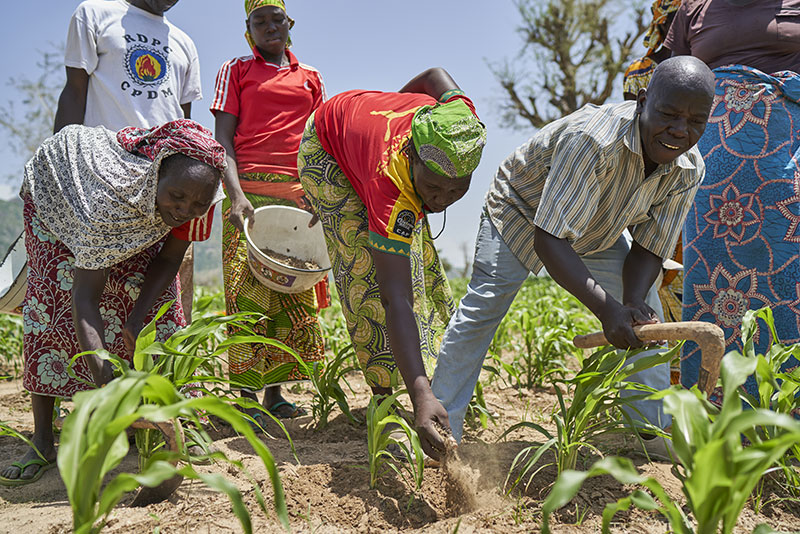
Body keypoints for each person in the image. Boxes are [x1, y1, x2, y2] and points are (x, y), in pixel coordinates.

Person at [430, 57, 716, 452]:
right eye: (668, 114)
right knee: (485, 306)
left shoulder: (688, 166)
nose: (680, 130)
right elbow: (549, 240)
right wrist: (606, 310)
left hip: (595, 228)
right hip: (522, 210)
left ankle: (647, 434)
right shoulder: (593, 139)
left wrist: (629, 303)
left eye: (695, 121)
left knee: (647, 317)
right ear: (642, 100)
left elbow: (650, 247)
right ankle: (438, 429)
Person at [0, 119, 225, 486]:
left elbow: (169, 260)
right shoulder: (104, 205)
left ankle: (171, 425)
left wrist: (136, 320)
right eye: (178, 197)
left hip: (135, 212)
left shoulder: (201, 197)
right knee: (52, 310)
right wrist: (109, 390)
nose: (186, 208)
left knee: (162, 316)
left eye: (198, 203)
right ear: (154, 178)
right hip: (58, 201)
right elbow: (85, 300)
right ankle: (42, 442)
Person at [297, 68, 487, 458]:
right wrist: (420, 398)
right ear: (412, 154)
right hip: (326, 147)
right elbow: (394, 298)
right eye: (433, 187)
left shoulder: (461, 124)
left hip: (372, 138)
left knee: (417, 263)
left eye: (458, 189)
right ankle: (389, 399)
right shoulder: (390, 183)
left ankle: (434, 378)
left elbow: (436, 74)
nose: (443, 199)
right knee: (366, 273)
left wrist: (390, 104)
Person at [665, 0, 800, 403]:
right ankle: (709, 417)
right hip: (711, 175)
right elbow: (673, 83)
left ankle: (783, 417)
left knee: (787, 279)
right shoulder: (694, 8)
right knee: (709, 286)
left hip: (783, 157)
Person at [211, 0, 327, 421]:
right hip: (249, 201)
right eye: (259, 21)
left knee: (286, 296)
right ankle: (244, 398)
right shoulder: (235, 70)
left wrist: (316, 192)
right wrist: (237, 195)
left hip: (296, 200)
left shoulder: (310, 78)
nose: (269, 27)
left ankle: (274, 395)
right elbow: (222, 139)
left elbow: (319, 143)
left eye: (275, 19)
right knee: (247, 300)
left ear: (289, 23)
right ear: (248, 28)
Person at [54, 0, 202, 321]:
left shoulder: (184, 43)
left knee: (167, 301)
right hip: (106, 182)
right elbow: (74, 93)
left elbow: (184, 127)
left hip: (167, 192)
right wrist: (63, 170)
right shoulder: (94, 14)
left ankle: (164, 370)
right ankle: (102, 369)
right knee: (95, 294)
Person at [622, 0, 682, 101]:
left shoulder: (704, 64)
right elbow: (631, 114)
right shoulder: (638, 72)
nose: (689, 25)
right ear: (663, 23)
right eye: (682, 20)